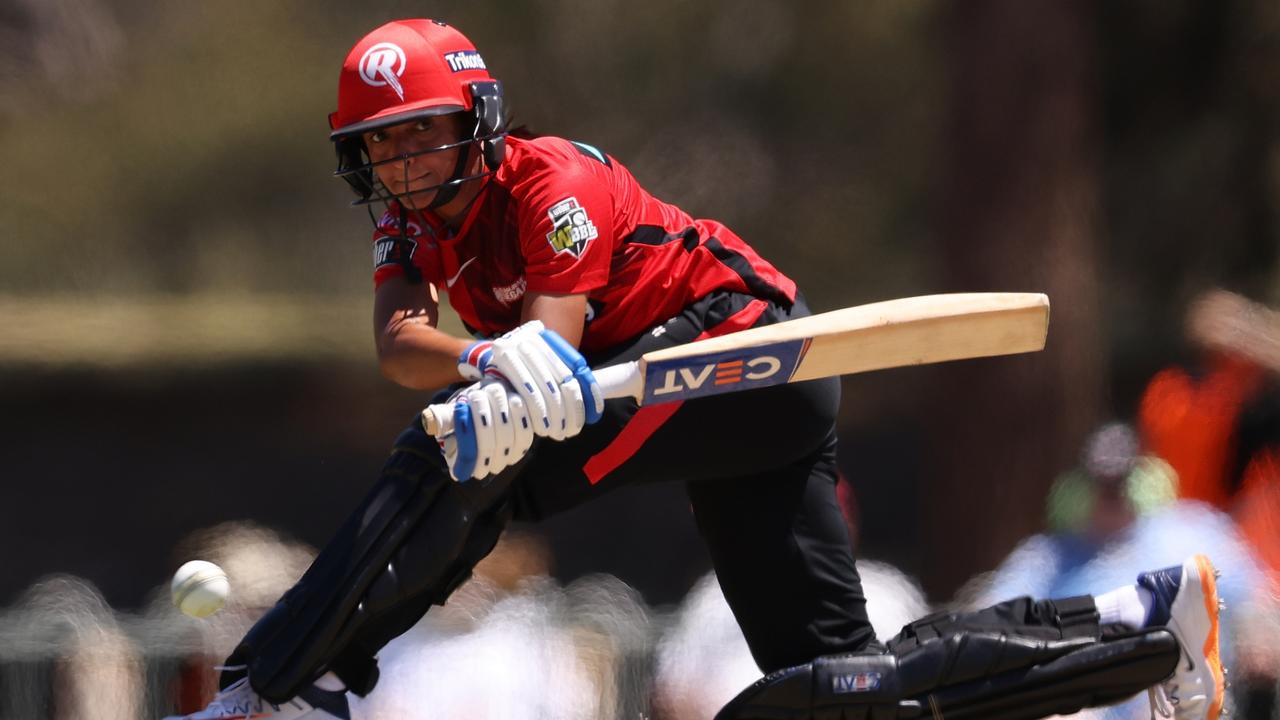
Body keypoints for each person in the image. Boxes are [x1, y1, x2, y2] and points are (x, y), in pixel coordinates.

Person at [167, 19, 1226, 720]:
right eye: (382, 149)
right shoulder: (406, 227)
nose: (404, 168)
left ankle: (279, 682)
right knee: (826, 693)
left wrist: (506, 374)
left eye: (423, 138)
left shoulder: (552, 184)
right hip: (690, 399)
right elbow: (403, 341)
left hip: (735, 356)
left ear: (478, 125)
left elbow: (556, 343)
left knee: (463, 456)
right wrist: (484, 355)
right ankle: (1138, 632)